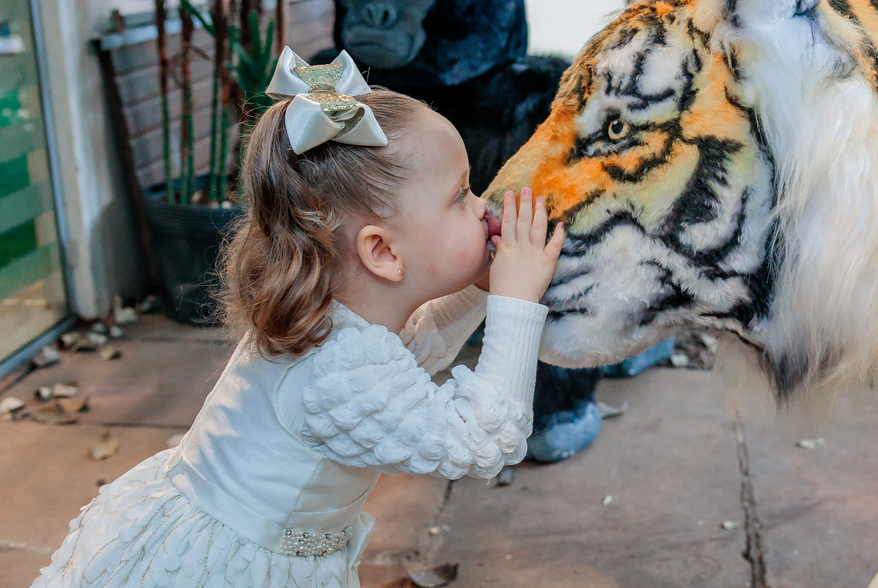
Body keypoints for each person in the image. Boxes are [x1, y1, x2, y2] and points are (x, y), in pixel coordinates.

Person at [31, 48, 564, 588]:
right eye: (460, 195)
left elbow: (416, 346)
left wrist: (480, 288)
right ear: (382, 252)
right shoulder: (338, 373)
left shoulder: (339, 314)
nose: (481, 206)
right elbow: (483, 442)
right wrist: (516, 301)